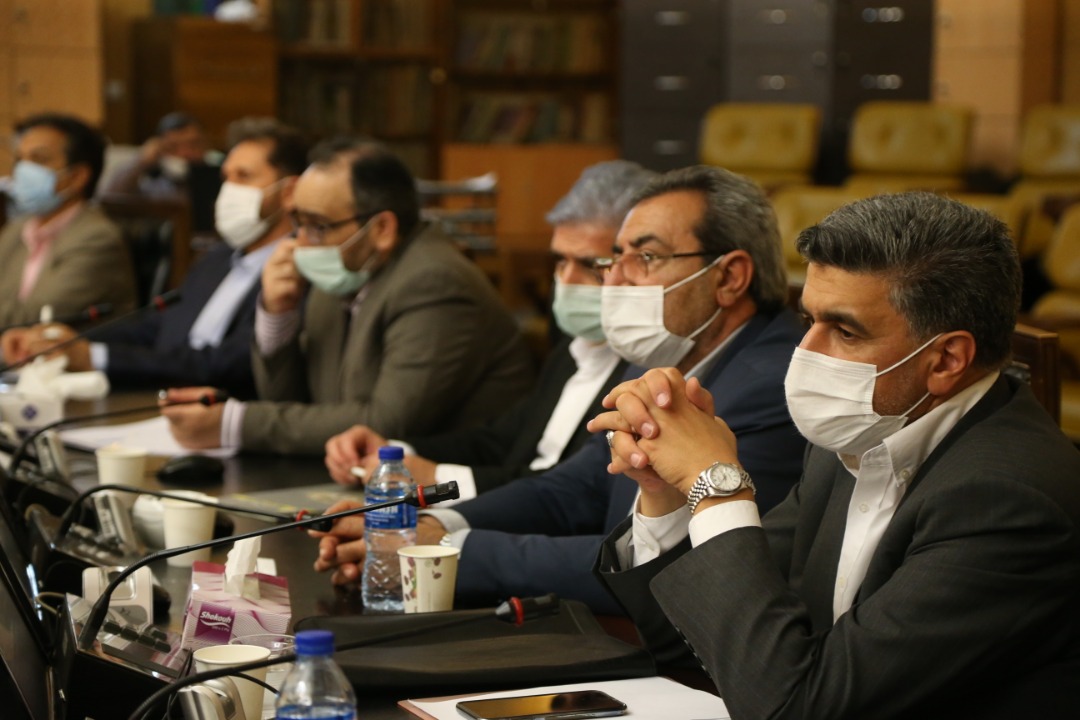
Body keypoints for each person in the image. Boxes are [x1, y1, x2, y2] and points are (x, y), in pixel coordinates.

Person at [592, 192, 1080, 718]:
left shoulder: (1007, 503)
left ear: (946, 359)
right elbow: (702, 643)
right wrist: (667, 495)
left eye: (845, 332)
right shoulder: (855, 437)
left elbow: (800, 707)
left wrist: (715, 485)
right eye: (809, 322)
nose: (805, 353)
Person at [310, 166, 807, 616]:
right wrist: (439, 526)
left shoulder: (771, 386)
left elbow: (674, 568)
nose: (615, 278)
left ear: (729, 277)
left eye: (646, 256)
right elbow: (572, 488)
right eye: (616, 257)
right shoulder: (659, 358)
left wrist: (447, 553)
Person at [162, 138, 534, 455]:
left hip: (454, 489)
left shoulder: (434, 282)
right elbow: (295, 405)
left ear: (382, 228)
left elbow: (384, 423)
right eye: (298, 223)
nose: (300, 242)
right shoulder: (344, 272)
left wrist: (235, 423)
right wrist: (278, 315)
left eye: (318, 226)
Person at [322, 160, 655, 498]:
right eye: (560, 261)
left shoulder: (646, 369)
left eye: (590, 265)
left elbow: (570, 491)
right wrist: (392, 452)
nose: (565, 281)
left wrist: (439, 477)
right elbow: (500, 440)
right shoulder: (571, 350)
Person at [1, 118, 307, 399]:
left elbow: (226, 365)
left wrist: (93, 356)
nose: (228, 189)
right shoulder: (217, 258)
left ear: (288, 192)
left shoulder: (297, 271)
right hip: (154, 402)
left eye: (244, 176)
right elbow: (155, 325)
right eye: (226, 177)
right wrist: (65, 341)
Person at [0, 113, 136, 330]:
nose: (22, 171)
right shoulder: (17, 229)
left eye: (38, 159)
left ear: (77, 176)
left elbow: (36, 318)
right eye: (20, 160)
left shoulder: (97, 239)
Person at [100, 112, 220, 199]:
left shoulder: (221, 175)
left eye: (194, 145)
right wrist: (141, 162)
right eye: (173, 147)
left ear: (207, 144)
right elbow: (110, 197)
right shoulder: (151, 181)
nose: (185, 153)